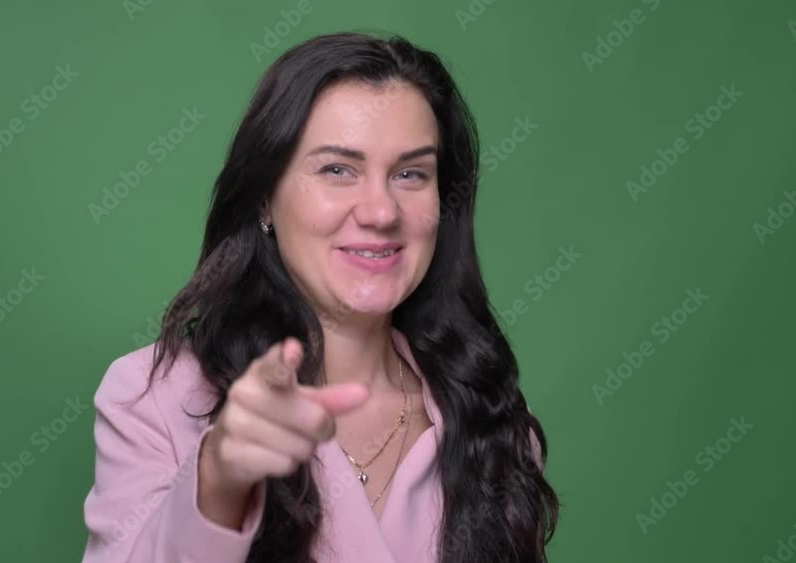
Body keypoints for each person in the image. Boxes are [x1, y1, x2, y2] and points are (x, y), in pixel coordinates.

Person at [80, 31, 559, 563]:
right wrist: (218, 480)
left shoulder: (489, 418)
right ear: (265, 196)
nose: (381, 212)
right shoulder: (152, 401)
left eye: (410, 174)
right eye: (337, 170)